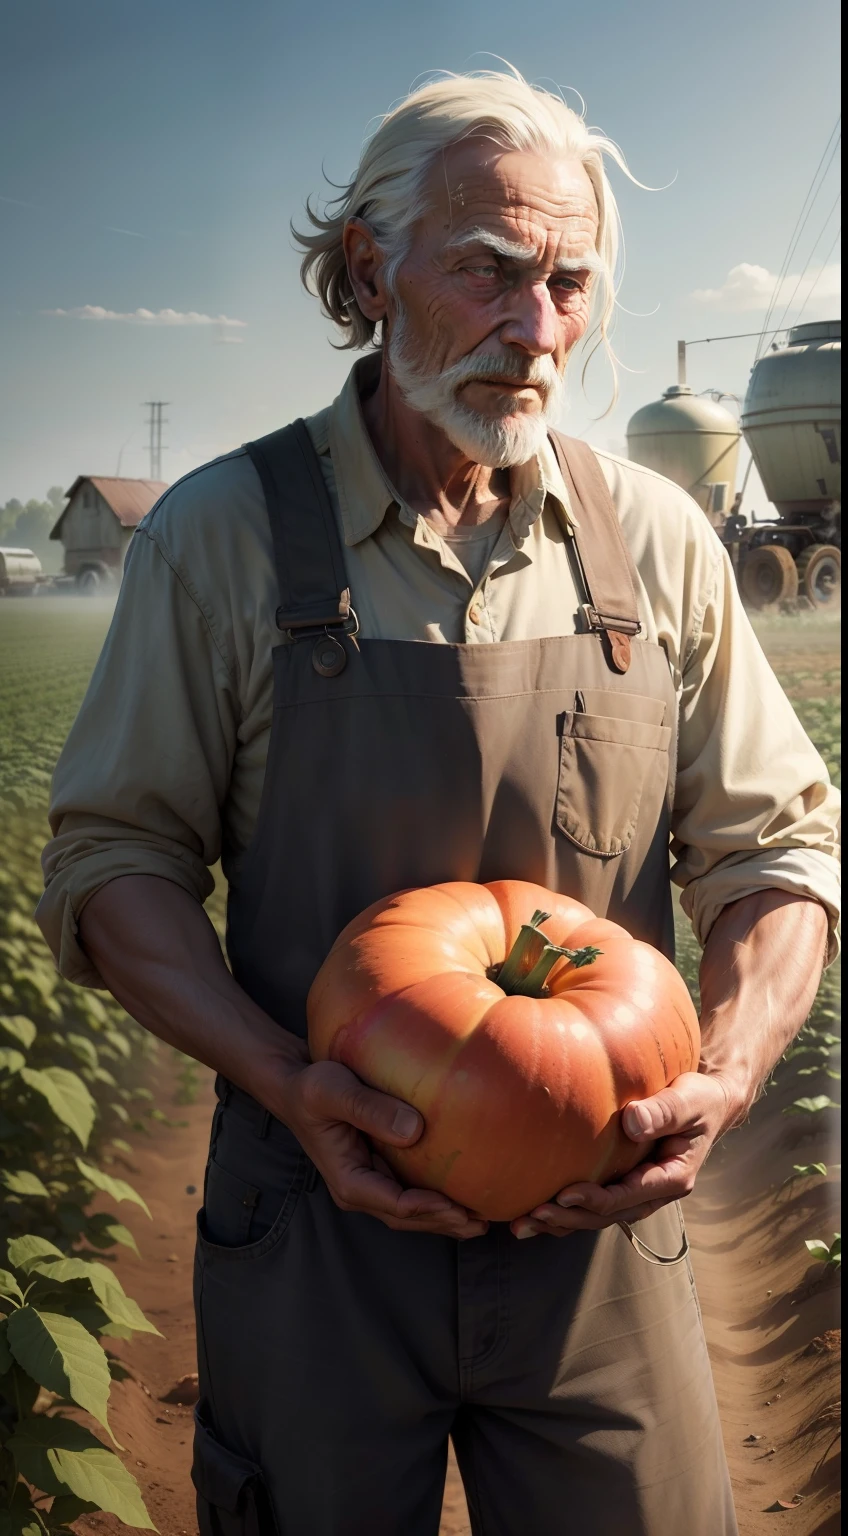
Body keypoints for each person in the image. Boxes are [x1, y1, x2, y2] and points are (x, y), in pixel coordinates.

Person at [38, 70, 840, 1536]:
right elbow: (113, 861)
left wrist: (720, 1074)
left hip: (604, 1239)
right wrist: (285, 1079)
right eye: (487, 269)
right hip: (315, 1218)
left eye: (570, 284)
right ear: (370, 266)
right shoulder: (221, 537)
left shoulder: (654, 543)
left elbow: (778, 851)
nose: (535, 331)